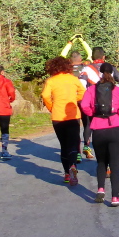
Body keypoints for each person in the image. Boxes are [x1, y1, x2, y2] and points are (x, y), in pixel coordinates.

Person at [80, 63, 119, 206]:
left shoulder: (91, 90)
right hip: (114, 128)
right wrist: (116, 116)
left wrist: (93, 114)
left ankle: (100, 189)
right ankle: (115, 198)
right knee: (115, 165)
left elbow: (84, 106)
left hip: (98, 129)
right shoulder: (117, 90)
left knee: (101, 162)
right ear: (112, 73)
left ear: (100, 74)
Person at [42, 56, 85, 185]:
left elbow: (45, 95)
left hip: (58, 116)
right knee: (73, 143)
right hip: (73, 115)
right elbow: (83, 92)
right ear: (67, 66)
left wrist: (51, 107)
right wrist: (74, 99)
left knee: (64, 145)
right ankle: (73, 166)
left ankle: (67, 174)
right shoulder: (73, 79)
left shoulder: (51, 81)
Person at [80, 47, 119, 161]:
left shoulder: (86, 68)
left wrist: (90, 93)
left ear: (92, 57)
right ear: (104, 57)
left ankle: (87, 145)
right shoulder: (110, 68)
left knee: (88, 125)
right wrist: (113, 89)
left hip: (93, 104)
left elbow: (81, 84)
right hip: (109, 107)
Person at [68, 51, 94, 161]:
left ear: (70, 60)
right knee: (87, 123)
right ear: (80, 59)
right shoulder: (85, 67)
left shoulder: (67, 70)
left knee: (75, 127)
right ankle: (87, 146)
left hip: (72, 101)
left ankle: (77, 153)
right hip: (84, 99)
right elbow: (90, 54)